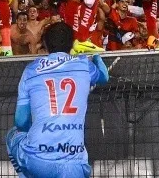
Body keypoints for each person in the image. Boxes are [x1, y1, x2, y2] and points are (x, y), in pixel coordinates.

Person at [6, 22, 109, 178]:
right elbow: (104, 76)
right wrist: (95, 56)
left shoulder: (31, 70)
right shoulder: (83, 64)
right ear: (73, 43)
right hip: (74, 165)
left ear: (45, 44)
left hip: (38, 161)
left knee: (12, 135)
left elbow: (21, 122)